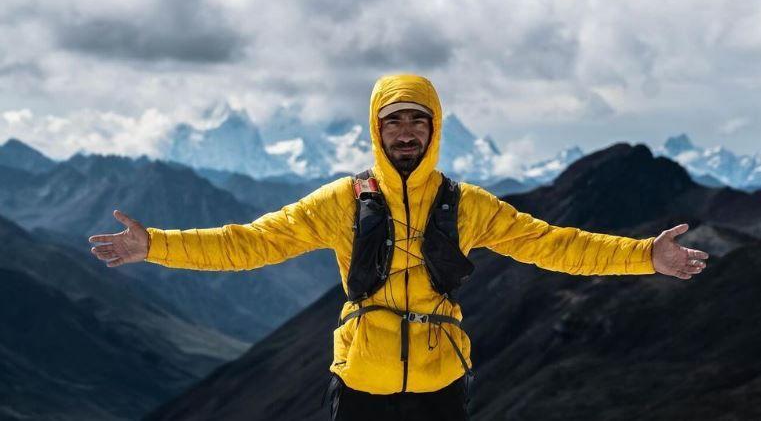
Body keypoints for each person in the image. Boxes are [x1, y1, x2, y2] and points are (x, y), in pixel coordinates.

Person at [89, 73, 709, 421]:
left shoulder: (468, 205)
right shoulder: (341, 202)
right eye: (394, 120)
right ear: (376, 129)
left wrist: (644, 256)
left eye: (417, 120)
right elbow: (251, 243)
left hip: (441, 391)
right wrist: (157, 246)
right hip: (358, 390)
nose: (406, 131)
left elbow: (553, 246)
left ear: (433, 129)